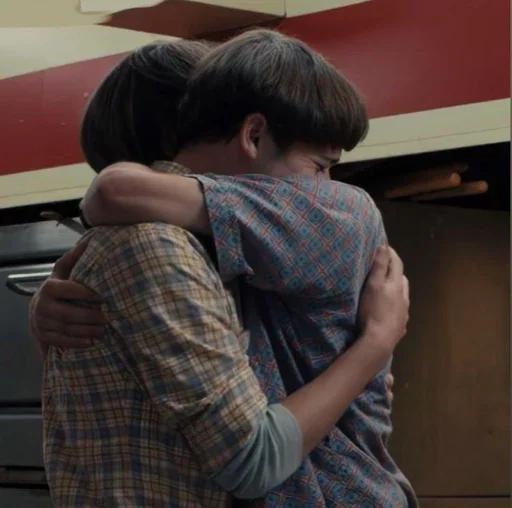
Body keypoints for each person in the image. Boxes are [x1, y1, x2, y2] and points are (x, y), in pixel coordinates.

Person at [30, 33, 413, 507]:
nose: (321, 189)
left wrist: (372, 353)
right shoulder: (159, 245)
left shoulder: (282, 231)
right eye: (319, 167)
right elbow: (252, 457)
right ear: (247, 132)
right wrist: (374, 345)